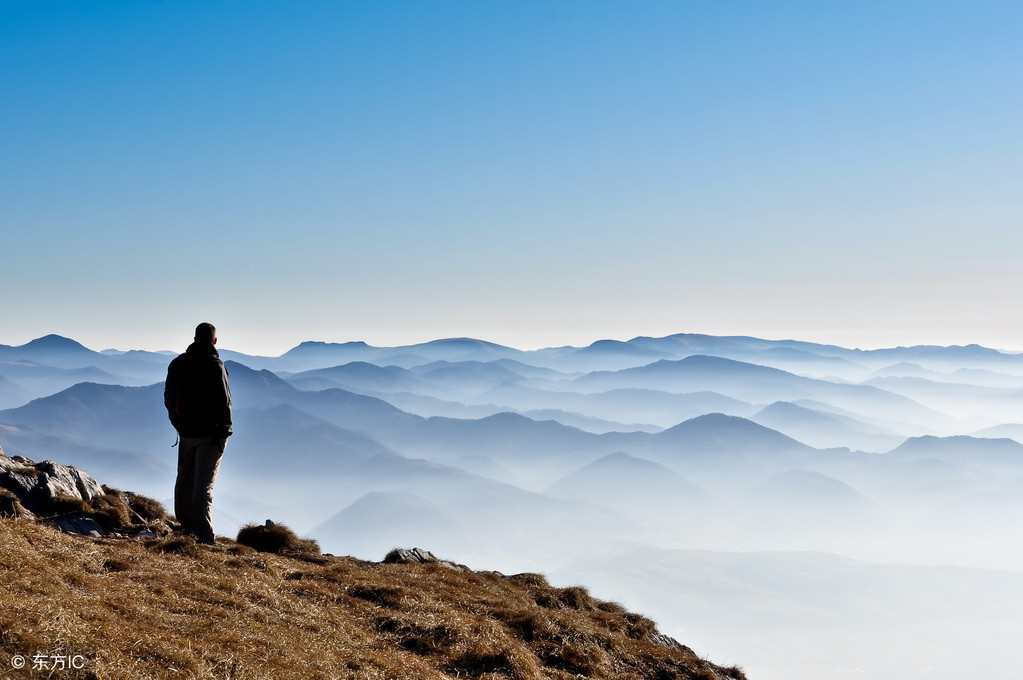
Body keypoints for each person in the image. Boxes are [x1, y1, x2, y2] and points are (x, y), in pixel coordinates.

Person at [164, 322, 233, 545]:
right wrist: (224, 433)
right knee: (204, 486)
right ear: (214, 341)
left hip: (185, 433)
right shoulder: (216, 366)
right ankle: (204, 538)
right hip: (211, 436)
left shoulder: (178, 364)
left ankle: (187, 527)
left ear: (195, 338)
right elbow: (225, 402)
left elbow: (168, 397)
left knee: (184, 480)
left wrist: (178, 425)